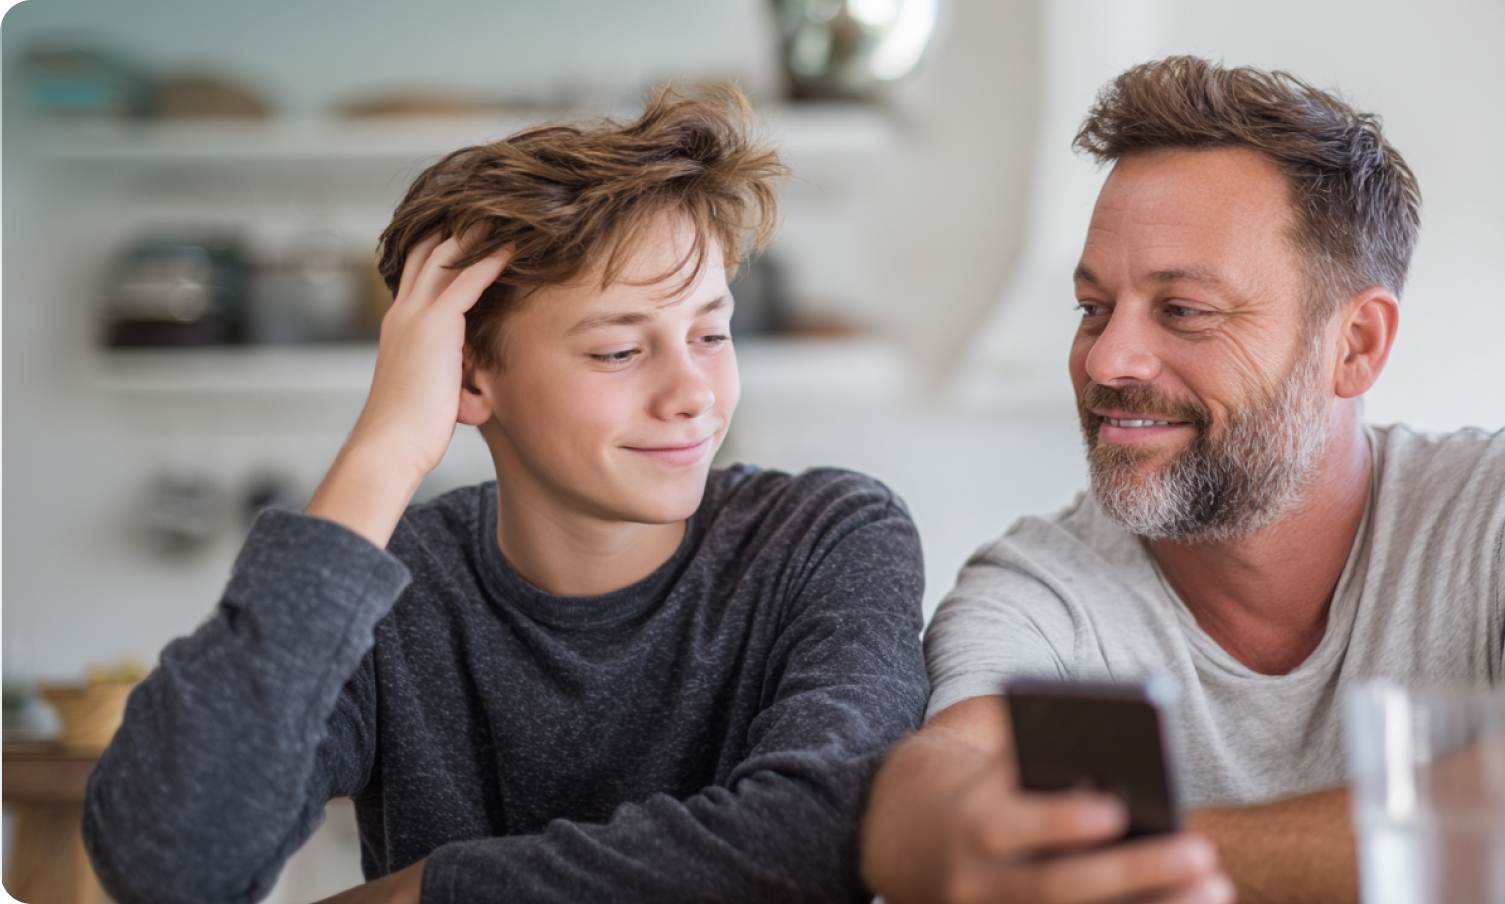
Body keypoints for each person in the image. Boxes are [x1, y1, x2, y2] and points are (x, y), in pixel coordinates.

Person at [861, 56, 1505, 904]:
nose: (1108, 359)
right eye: (1094, 308)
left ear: (1355, 347)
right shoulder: (1042, 585)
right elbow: (918, 809)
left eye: (1184, 310)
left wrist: (1153, 851)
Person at [82, 84, 929, 904]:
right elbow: (167, 861)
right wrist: (385, 446)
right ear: (469, 375)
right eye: (619, 352)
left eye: (711, 333)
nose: (693, 395)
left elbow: (816, 840)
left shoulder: (829, 537)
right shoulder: (392, 588)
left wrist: (426, 890)